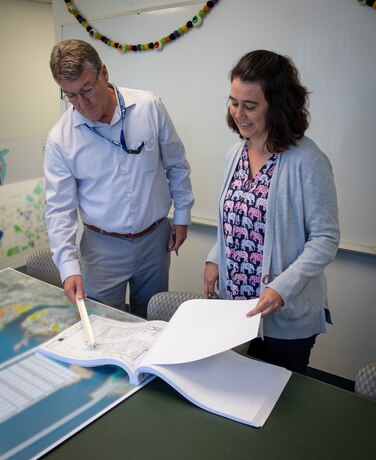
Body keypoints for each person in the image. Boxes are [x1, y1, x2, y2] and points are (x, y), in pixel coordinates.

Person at [204, 50, 340, 374]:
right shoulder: (235, 154)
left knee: (276, 408)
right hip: (236, 308)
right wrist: (214, 257)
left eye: (251, 105)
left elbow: (325, 239)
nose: (239, 113)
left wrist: (281, 288)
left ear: (277, 106)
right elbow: (236, 221)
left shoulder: (308, 160)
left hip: (285, 317)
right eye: (234, 102)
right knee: (235, 390)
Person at [44, 39, 194, 318]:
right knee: (102, 328)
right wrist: (68, 267)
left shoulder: (150, 107)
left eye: (87, 89)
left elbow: (176, 165)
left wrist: (182, 216)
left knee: (153, 323)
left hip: (155, 240)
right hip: (102, 248)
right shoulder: (60, 139)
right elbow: (59, 210)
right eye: (71, 95)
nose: (82, 103)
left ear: (104, 73)